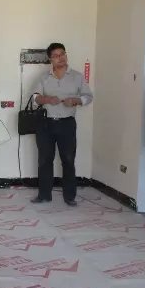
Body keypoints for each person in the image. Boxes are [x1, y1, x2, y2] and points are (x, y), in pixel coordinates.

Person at [32, 43, 93, 206]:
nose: (61, 58)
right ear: (50, 59)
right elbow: (35, 98)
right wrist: (48, 99)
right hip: (46, 124)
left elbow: (88, 97)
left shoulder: (77, 77)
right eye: (56, 55)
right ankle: (44, 195)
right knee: (45, 160)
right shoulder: (44, 77)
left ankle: (69, 196)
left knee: (68, 159)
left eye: (63, 54)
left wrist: (75, 100)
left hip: (67, 123)